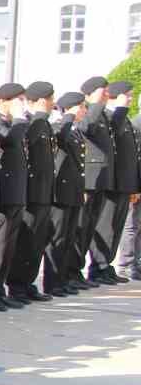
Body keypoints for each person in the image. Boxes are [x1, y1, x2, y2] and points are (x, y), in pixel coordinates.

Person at [0, 84, 30, 310]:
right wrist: (20, 119)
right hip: (2, 193)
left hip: (16, 192)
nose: (23, 106)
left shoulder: (14, 123)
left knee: (9, 247)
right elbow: (8, 142)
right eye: (18, 101)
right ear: (7, 101)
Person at [7, 82, 57, 303]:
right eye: (50, 98)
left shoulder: (43, 124)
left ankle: (28, 283)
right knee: (26, 243)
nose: (53, 102)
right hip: (33, 193)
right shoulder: (34, 123)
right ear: (40, 101)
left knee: (37, 242)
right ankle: (17, 285)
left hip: (44, 193)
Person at [46, 91, 89, 295]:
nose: (84, 111)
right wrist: (69, 116)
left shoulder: (75, 130)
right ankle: (52, 281)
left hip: (73, 190)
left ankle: (62, 279)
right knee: (58, 237)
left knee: (69, 237)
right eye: (81, 107)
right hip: (61, 192)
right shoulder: (58, 126)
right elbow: (60, 139)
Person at [97, 82, 137, 283]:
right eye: (126, 96)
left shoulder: (123, 118)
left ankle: (107, 265)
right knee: (106, 226)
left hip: (124, 182)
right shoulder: (110, 116)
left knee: (117, 226)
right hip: (113, 182)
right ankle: (99, 266)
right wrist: (120, 108)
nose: (130, 99)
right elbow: (113, 128)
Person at [75, 76, 113, 285]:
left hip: (100, 179)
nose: (106, 95)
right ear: (89, 94)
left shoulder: (102, 114)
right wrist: (97, 103)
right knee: (80, 227)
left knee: (90, 227)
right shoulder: (87, 111)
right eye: (102, 91)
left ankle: (81, 270)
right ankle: (73, 270)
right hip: (88, 179)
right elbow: (85, 127)